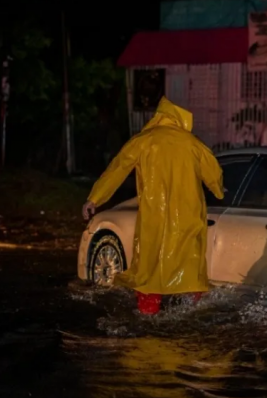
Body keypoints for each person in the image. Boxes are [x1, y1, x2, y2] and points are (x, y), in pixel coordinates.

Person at [82, 97, 224, 315]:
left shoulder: (143, 141)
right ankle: (192, 316)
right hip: (188, 220)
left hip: (153, 220)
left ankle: (148, 315)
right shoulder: (193, 144)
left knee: (149, 272)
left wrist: (95, 198)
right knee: (190, 270)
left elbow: (117, 169)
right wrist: (219, 190)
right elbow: (214, 175)